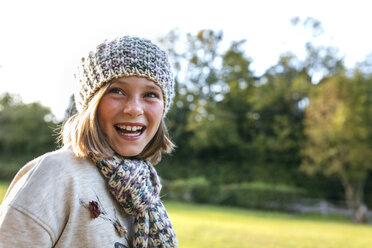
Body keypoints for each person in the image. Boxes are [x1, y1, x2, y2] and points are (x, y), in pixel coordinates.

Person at [0, 36, 178, 248]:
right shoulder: (57, 174)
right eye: (117, 91)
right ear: (91, 103)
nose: (134, 108)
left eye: (150, 94)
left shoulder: (143, 193)